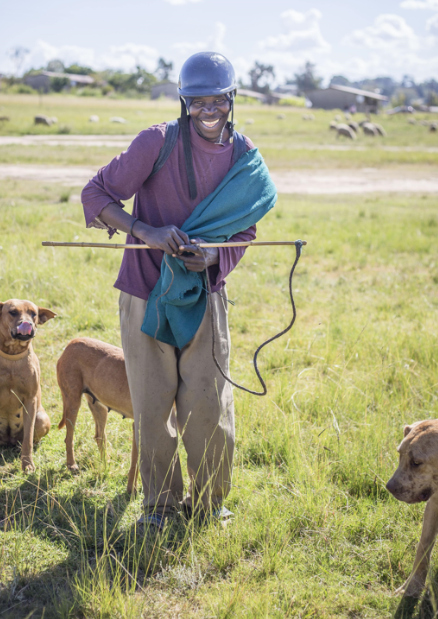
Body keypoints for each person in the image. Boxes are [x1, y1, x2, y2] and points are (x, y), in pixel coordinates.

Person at [81, 52, 274, 529]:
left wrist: (213, 257)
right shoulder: (156, 142)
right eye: (197, 102)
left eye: (218, 101)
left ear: (232, 100)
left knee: (209, 402)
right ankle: (161, 507)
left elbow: (244, 231)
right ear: (184, 101)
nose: (208, 110)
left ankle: (209, 504)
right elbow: (96, 195)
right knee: (151, 402)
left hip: (206, 295)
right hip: (146, 292)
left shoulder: (245, 158)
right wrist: (143, 230)